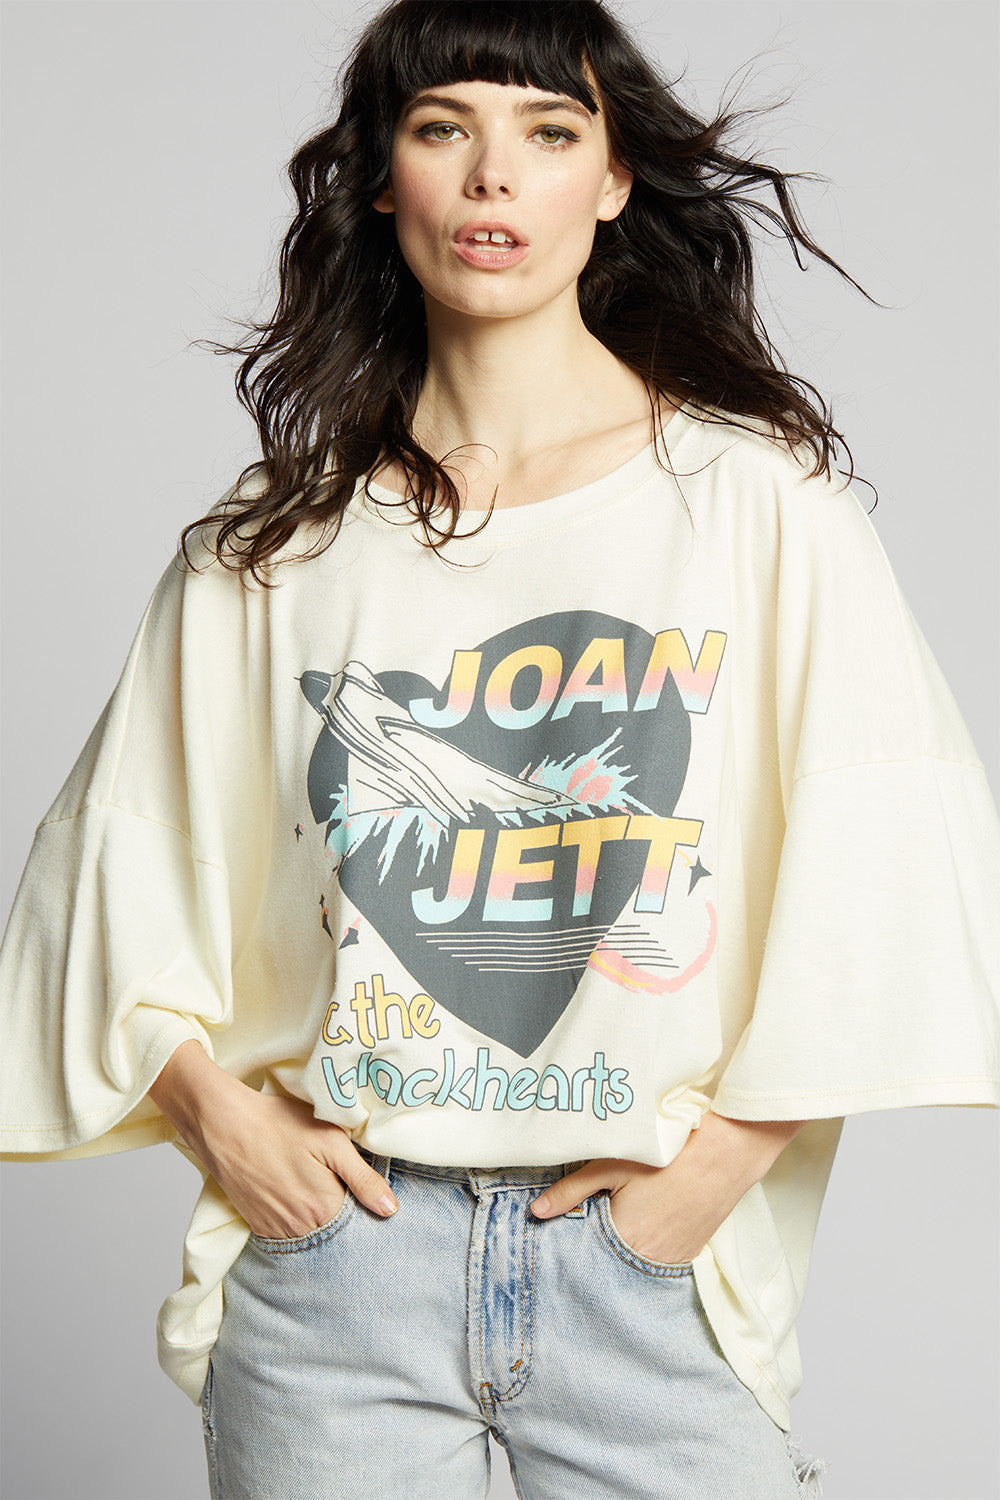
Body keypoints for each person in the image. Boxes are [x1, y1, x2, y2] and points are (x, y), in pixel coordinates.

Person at [2, 1, 998, 1496]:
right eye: (441, 127)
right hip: (341, 1273)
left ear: (613, 179)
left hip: (646, 1276)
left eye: (547, 131)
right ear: (381, 177)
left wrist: (714, 1174)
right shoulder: (276, 546)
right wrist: (224, 1128)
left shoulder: (755, 507)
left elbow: (890, 861)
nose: (492, 176)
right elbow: (121, 861)